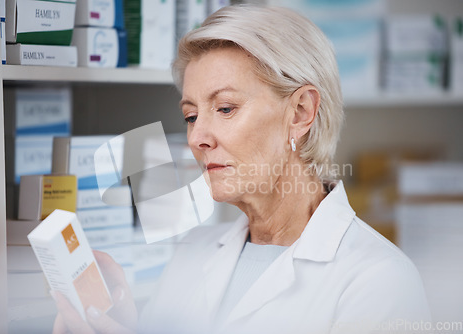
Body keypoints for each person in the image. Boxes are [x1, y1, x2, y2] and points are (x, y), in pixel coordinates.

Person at [53, 4, 431, 334]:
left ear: (300, 112)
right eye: (190, 115)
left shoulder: (380, 281)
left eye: (225, 108)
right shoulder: (193, 253)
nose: (198, 137)